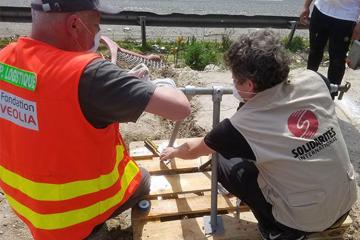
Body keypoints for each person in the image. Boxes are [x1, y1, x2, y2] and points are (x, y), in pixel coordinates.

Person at [0, 0, 191, 239]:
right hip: (70, 215)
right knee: (142, 179)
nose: (99, 32)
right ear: (74, 24)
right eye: (96, 23)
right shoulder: (88, 74)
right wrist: (157, 84)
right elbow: (179, 109)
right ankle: (92, 228)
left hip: (26, 203)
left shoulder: (5, 58)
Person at [160, 29, 357, 240]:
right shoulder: (314, 79)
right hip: (345, 202)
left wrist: (173, 151)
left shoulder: (240, 126)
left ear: (249, 84)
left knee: (223, 162)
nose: (233, 83)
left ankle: (276, 229)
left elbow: (193, 149)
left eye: (235, 78)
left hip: (302, 222)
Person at [299, 0, 360, 90]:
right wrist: (306, 6)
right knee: (314, 52)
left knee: (337, 60)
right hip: (321, 9)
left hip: (346, 16)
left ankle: (331, 95)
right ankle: (307, 86)